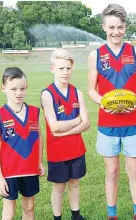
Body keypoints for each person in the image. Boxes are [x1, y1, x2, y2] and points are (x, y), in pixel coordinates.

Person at [88, 3, 136, 220]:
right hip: (107, 123)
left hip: (133, 121)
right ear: (104, 26)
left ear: (125, 27)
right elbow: (91, 90)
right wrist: (103, 104)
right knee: (111, 172)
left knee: (134, 170)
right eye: (112, 27)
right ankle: (111, 215)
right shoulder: (95, 55)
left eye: (120, 27)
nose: (116, 32)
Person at [41, 48, 90, 220]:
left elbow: (87, 123)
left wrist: (66, 130)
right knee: (59, 187)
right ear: (52, 69)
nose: (65, 72)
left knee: (75, 183)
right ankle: (57, 217)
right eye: (61, 68)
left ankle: (76, 215)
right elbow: (54, 126)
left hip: (76, 149)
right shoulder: (47, 94)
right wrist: (76, 121)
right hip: (58, 151)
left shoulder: (77, 93)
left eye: (68, 68)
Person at [0, 67, 45, 220]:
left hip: (29, 169)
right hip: (9, 172)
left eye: (22, 88)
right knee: (9, 212)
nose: (18, 93)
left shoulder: (34, 112)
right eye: (13, 89)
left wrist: (39, 162)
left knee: (29, 207)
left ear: (26, 87)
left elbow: (39, 137)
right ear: (4, 89)